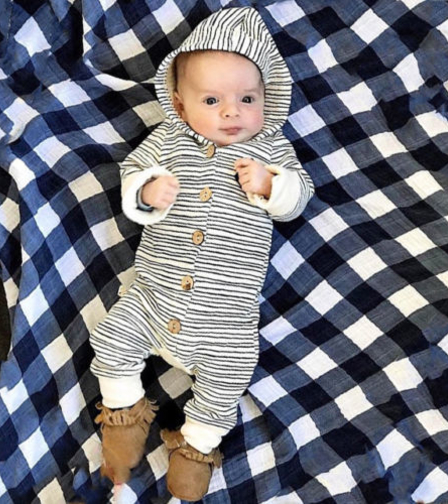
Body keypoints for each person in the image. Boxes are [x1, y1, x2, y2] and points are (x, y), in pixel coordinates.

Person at [90, 7, 314, 501]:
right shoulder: (168, 140)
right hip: (154, 297)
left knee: (228, 379)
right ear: (179, 103)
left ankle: (195, 448)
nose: (232, 112)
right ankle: (123, 414)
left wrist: (272, 185)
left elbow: (299, 196)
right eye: (212, 100)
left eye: (247, 99)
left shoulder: (271, 149)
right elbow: (131, 175)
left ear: (267, 98)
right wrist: (147, 191)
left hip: (226, 317)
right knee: (111, 339)